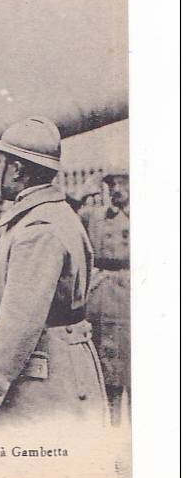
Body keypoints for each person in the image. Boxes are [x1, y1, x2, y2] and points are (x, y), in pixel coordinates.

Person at [0, 117, 107, 428]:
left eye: (0, 162)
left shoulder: (38, 229)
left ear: (18, 169)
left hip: (44, 377)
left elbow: (21, 316)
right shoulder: (50, 215)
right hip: (55, 366)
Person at [81, 164, 130, 424]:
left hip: (133, 286)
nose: (118, 189)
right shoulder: (95, 216)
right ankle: (111, 426)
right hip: (102, 291)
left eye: (124, 183)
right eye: (112, 184)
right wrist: (89, 186)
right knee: (106, 363)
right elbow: (72, 212)